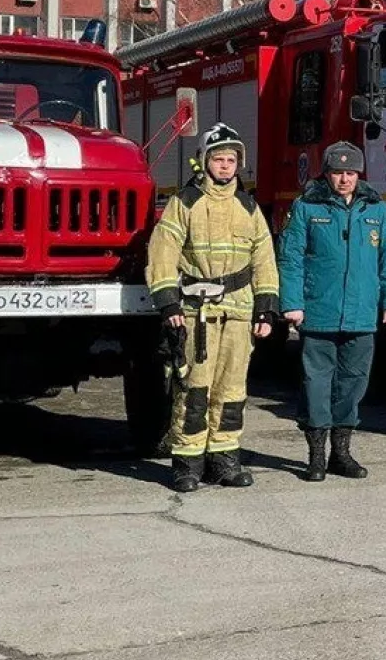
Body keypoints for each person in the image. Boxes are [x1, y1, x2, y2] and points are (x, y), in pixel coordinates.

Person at [146, 124, 280, 493]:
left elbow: (264, 257)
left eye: (231, 160)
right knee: (193, 387)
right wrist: (168, 301)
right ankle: (187, 463)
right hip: (195, 312)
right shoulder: (186, 202)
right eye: (218, 159)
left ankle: (224, 461)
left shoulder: (248, 206)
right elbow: (163, 251)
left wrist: (266, 309)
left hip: (239, 311)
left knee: (232, 390)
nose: (225, 166)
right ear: (204, 162)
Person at [277, 141, 386, 482]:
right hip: (319, 311)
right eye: (338, 173)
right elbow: (290, 258)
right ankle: (316, 455)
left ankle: (342, 452)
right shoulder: (307, 206)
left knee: (353, 383)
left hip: (362, 313)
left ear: (359, 174)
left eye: (351, 173)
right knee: (316, 383)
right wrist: (291, 303)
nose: (345, 179)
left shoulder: (374, 209)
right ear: (327, 174)